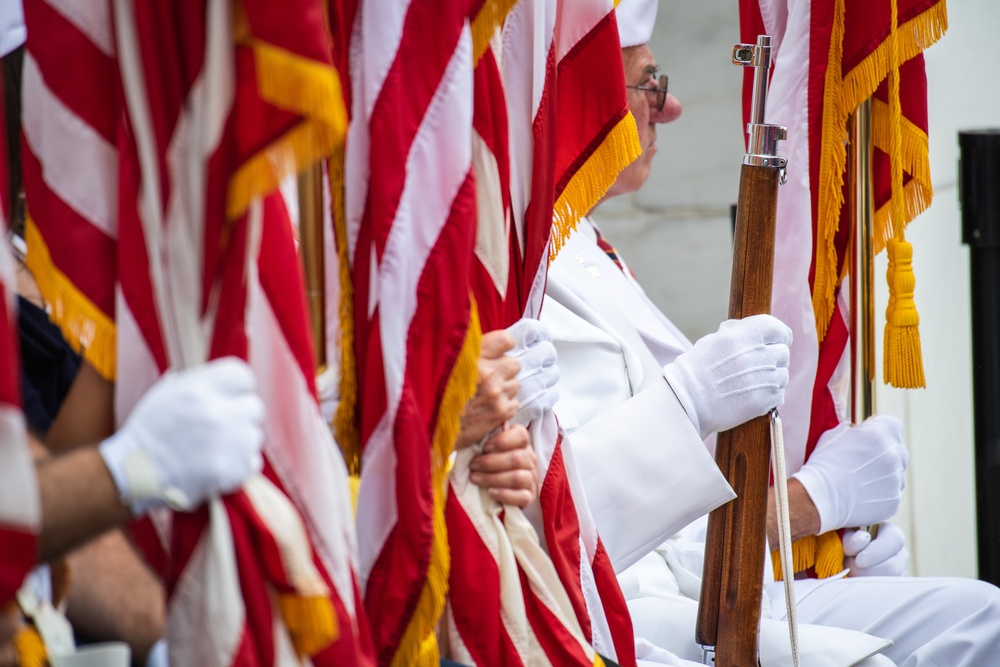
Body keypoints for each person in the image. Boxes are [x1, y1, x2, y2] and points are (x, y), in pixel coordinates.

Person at [537, 0, 1000, 664]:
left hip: (695, 587)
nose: (667, 108)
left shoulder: (583, 243)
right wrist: (810, 503)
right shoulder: (535, 264)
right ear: (589, 97)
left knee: (980, 617)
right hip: (624, 622)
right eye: (648, 83)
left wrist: (823, 527)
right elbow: (582, 529)